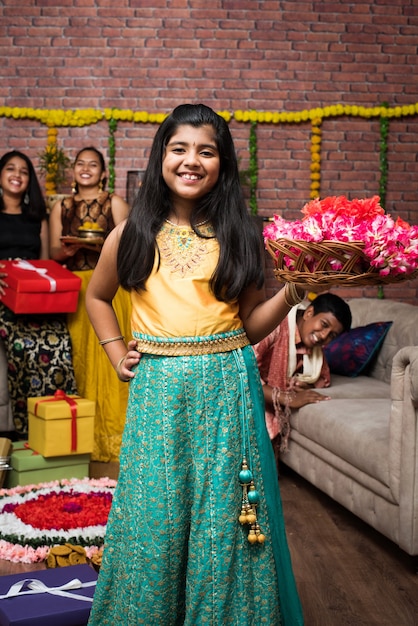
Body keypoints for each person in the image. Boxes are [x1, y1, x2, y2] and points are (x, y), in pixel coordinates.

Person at [85, 104, 304, 625]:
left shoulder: (241, 236)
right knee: (155, 510)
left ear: (223, 164)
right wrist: (118, 353)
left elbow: (249, 325)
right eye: (179, 149)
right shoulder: (132, 234)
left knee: (221, 517)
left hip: (226, 387)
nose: (191, 161)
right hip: (158, 391)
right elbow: (96, 297)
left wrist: (296, 290)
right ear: (161, 156)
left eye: (206, 151)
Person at [49, 147, 131, 461]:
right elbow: (52, 254)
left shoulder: (116, 203)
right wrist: (68, 251)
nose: (86, 169)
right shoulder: (61, 207)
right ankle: (81, 438)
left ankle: (119, 436)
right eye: (80, 164)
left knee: (114, 363)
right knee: (81, 361)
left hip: (112, 290)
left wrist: (103, 247)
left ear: (103, 172)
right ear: (73, 171)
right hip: (76, 289)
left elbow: (129, 248)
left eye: (92, 164)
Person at [0, 150, 77, 437]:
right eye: (10, 169)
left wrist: (65, 254)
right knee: (20, 346)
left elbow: (46, 262)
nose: (17, 175)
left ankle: (55, 422)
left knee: (58, 340)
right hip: (3, 297)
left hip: (34, 299)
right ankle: (20, 429)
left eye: (23, 171)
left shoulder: (38, 218)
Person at [254, 292, 352, 456]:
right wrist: (286, 398)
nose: (323, 336)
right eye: (324, 324)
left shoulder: (313, 348)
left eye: (332, 335)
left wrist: (305, 384)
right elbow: (242, 373)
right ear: (309, 313)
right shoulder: (275, 325)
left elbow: (323, 378)